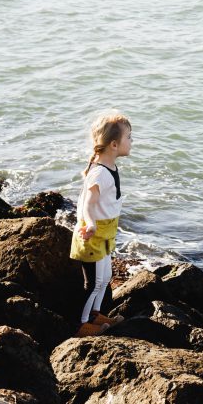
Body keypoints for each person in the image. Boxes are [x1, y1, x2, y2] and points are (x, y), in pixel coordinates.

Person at [70, 112, 132, 337]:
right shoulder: (99, 174)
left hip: (106, 233)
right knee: (94, 283)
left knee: (105, 279)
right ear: (114, 144)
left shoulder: (109, 167)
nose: (132, 141)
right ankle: (81, 324)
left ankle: (96, 315)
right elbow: (88, 204)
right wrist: (91, 225)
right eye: (129, 137)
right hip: (93, 234)